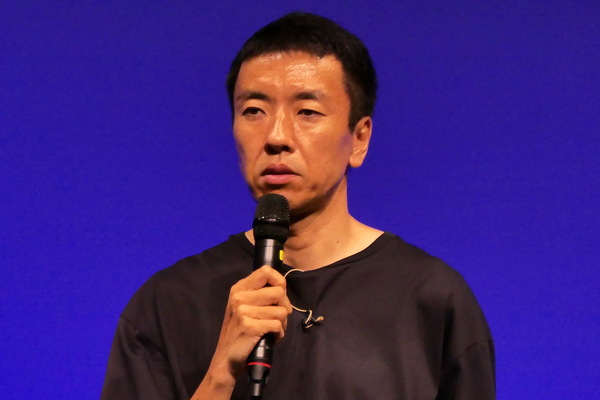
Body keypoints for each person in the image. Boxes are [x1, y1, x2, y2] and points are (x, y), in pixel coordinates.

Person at [101, 12, 495, 400]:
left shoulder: (432, 299)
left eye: (307, 112)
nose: (276, 136)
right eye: (254, 111)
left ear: (359, 139)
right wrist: (221, 374)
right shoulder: (167, 303)